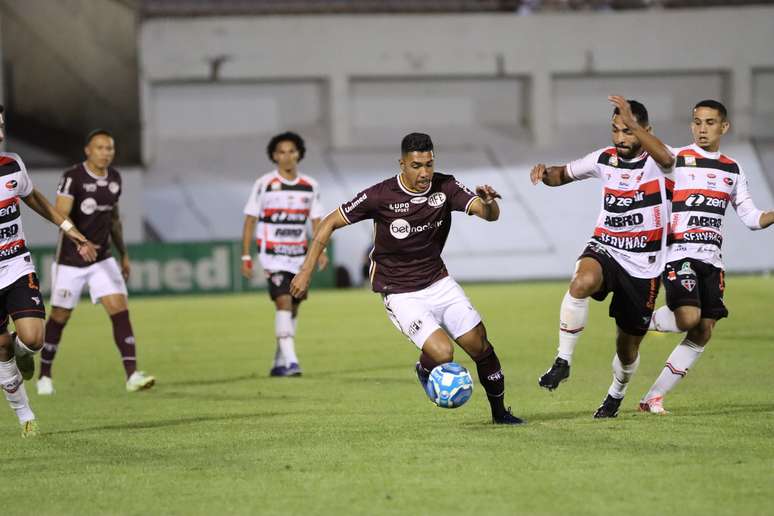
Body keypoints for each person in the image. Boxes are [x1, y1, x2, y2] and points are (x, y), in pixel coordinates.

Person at [290, 132, 524, 425]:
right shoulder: (380, 195)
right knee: (443, 353)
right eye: (416, 166)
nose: (424, 172)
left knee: (479, 344)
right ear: (402, 164)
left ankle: (500, 414)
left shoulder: (446, 186)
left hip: (439, 282)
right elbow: (329, 222)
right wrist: (306, 270)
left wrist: (489, 203)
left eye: (429, 164)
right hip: (400, 292)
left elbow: (489, 215)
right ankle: (425, 368)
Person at [530, 97, 674, 418]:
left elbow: (665, 156)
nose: (621, 138)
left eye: (629, 131)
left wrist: (638, 129)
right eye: (616, 130)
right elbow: (563, 174)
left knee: (627, 348)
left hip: (644, 267)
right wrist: (545, 173)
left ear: (644, 130)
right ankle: (562, 361)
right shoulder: (604, 159)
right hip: (606, 247)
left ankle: (615, 394)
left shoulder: (662, 161)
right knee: (582, 282)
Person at [639, 100, 774, 414]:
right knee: (688, 318)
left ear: (724, 127)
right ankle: (638, 317)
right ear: (691, 126)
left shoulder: (732, 169)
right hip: (680, 253)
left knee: (703, 329)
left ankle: (652, 398)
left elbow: (752, 217)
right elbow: (652, 155)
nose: (702, 128)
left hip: (712, 261)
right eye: (697, 122)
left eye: (710, 122)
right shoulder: (678, 159)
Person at [0, 105, 98, 437]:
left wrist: (70, 229)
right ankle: (25, 415)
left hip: (15, 265)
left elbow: (36, 199)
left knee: (32, 339)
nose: (1, 135)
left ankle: (22, 351)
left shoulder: (12, 165)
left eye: (1, 126)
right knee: (1, 349)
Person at [36, 130, 155, 395]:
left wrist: (123, 253)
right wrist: (80, 241)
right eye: (100, 148)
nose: (106, 153)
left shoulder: (115, 178)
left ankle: (132, 375)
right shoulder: (72, 177)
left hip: (102, 259)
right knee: (59, 316)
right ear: (87, 150)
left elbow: (113, 219)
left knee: (120, 309)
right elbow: (60, 214)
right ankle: (44, 375)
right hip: (70, 260)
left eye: (110, 148)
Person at [241, 132, 327, 377]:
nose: (286, 156)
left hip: (299, 257)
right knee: (283, 302)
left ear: (299, 153)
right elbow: (249, 220)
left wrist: (321, 251)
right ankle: (291, 362)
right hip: (272, 256)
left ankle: (279, 362)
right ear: (273, 156)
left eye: (291, 151)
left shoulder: (310, 186)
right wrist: (245, 256)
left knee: (294, 308)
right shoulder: (264, 184)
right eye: (281, 152)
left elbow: (317, 221)